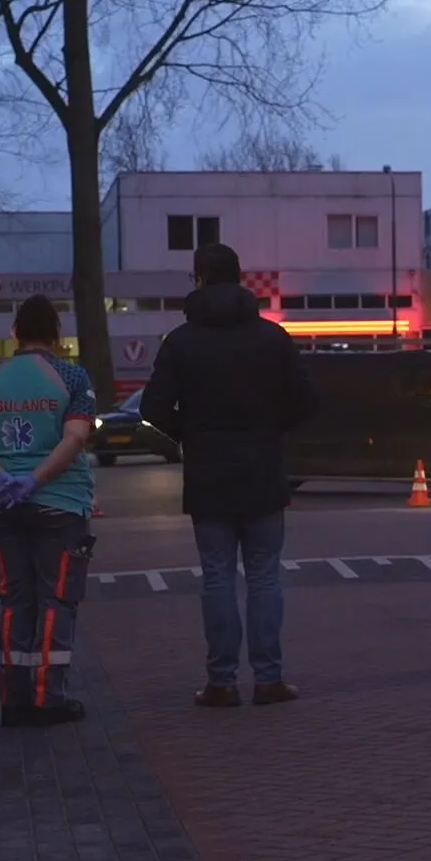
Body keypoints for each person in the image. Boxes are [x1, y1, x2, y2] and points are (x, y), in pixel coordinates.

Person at [141, 243, 317, 708]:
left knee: (216, 576)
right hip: (261, 469)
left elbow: (152, 408)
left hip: (208, 473)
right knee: (264, 576)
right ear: (241, 280)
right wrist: (268, 429)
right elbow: (304, 400)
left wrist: (191, 434)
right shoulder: (271, 337)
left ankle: (221, 681)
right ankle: (268, 678)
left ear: (198, 279)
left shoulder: (181, 341)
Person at [0, 296, 97, 727]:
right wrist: (37, 478)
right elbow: (74, 438)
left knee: (16, 599)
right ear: (56, 333)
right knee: (56, 600)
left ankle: (13, 698)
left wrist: (2, 478)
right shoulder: (71, 376)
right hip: (61, 503)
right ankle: (48, 697)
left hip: (7, 509)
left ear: (15, 333)